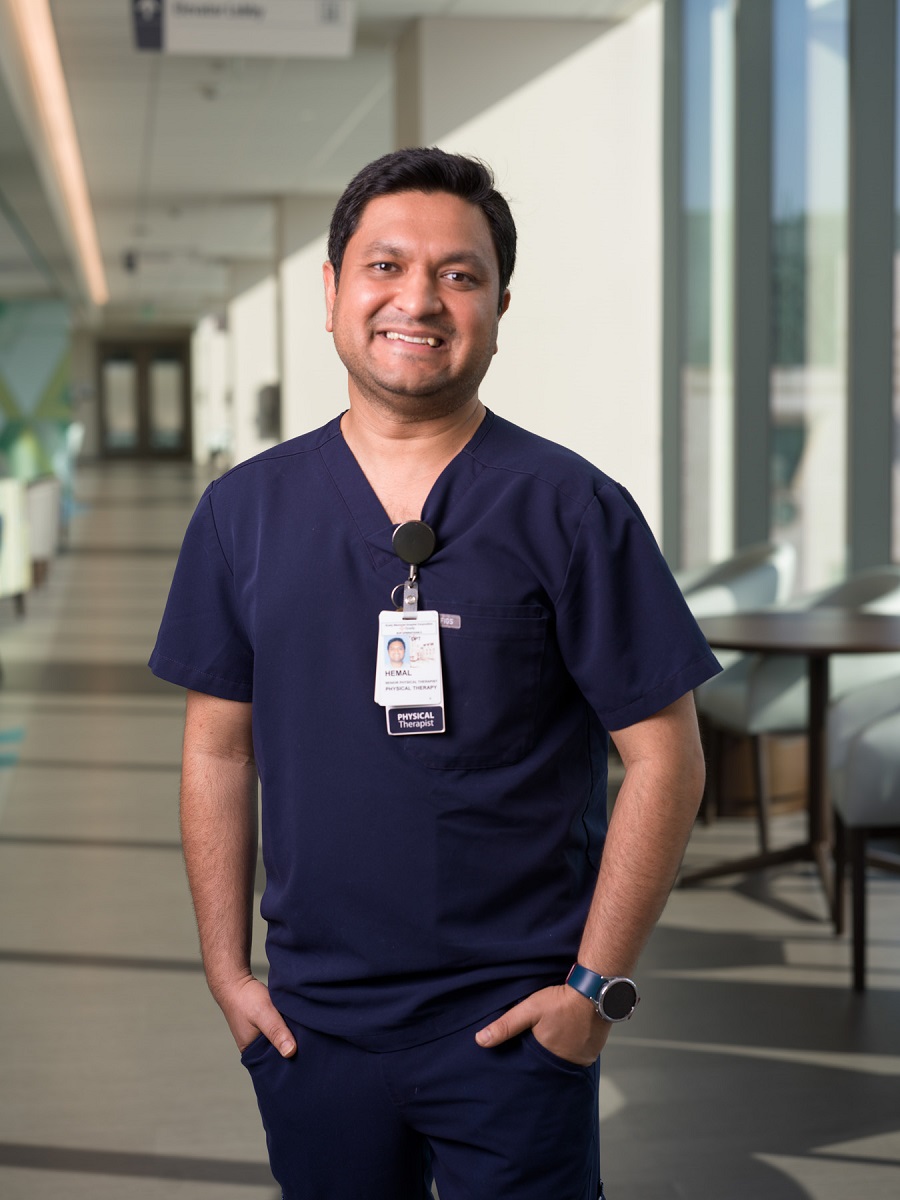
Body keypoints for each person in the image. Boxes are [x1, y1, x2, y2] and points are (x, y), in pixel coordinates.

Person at [150, 147, 720, 1200]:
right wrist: (227, 971)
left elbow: (667, 761)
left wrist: (592, 991)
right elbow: (217, 749)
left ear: (500, 304)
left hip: (514, 1023)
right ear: (330, 294)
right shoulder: (245, 513)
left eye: (458, 275)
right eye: (386, 266)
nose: (420, 298)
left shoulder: (573, 509)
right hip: (313, 1027)